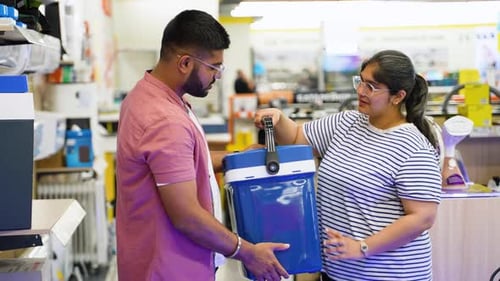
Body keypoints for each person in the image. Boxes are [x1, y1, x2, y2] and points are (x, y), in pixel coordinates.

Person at [116, 9, 290, 281]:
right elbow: (187, 216)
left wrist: (236, 158)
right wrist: (247, 251)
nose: (219, 75)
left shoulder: (149, 95)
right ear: (185, 63)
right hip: (170, 269)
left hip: (158, 262)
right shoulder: (164, 119)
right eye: (214, 67)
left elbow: (183, 162)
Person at [254, 49, 442, 281]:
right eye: (361, 82)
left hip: (389, 274)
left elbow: (422, 217)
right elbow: (295, 139)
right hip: (340, 272)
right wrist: (279, 118)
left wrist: (363, 247)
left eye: (371, 87)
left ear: (397, 96)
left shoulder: (414, 147)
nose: (361, 91)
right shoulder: (347, 123)